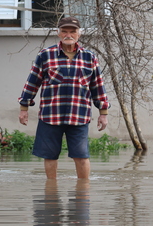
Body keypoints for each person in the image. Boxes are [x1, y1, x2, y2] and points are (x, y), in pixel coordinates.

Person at [18, 16, 109, 179]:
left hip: (79, 115)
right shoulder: (45, 55)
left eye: (72, 31)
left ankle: (83, 191)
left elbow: (98, 86)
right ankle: (51, 191)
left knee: (82, 156)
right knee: (50, 155)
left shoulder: (89, 58)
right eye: (64, 31)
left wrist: (103, 113)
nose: (69, 35)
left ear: (79, 34)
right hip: (50, 115)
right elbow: (32, 82)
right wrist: (24, 108)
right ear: (58, 33)